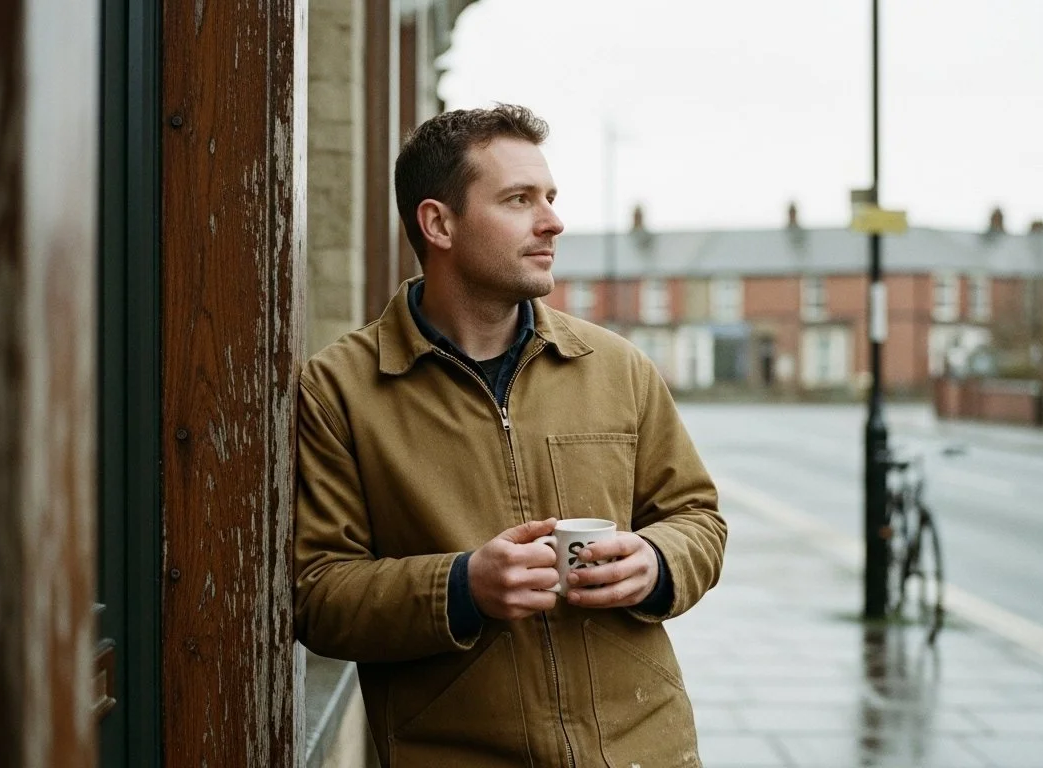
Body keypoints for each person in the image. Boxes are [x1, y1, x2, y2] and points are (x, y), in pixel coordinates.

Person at [293, 104, 727, 768]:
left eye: (550, 197)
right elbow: (318, 593)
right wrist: (464, 586)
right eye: (520, 200)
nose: (552, 220)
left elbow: (697, 517)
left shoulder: (617, 367)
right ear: (438, 223)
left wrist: (658, 561)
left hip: (645, 750)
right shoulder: (340, 391)